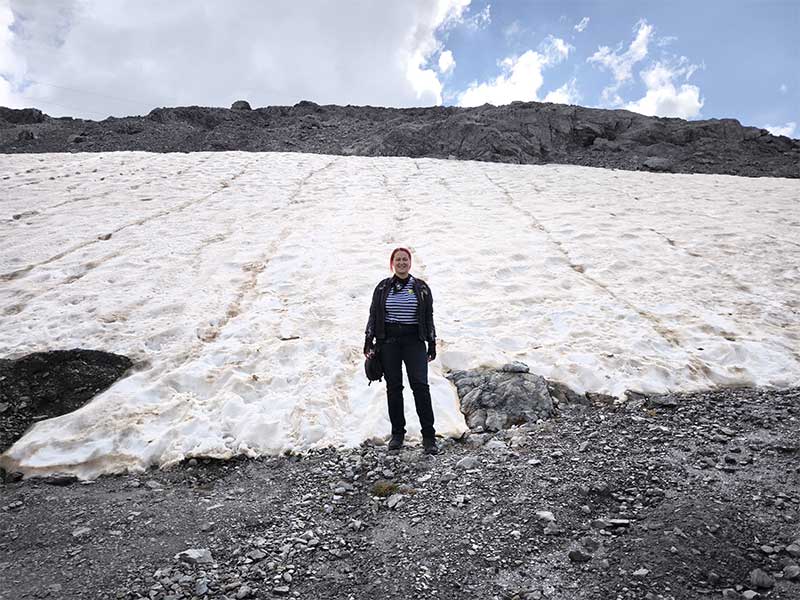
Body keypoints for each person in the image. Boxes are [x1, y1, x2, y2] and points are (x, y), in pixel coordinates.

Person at [364, 247, 438, 455]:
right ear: (392, 263)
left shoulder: (421, 288)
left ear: (410, 263)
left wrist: (432, 343)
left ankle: (429, 436)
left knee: (420, 386)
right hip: (389, 342)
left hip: (414, 340)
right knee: (394, 388)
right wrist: (369, 341)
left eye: (405, 259)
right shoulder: (382, 288)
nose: (402, 263)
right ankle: (397, 435)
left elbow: (428, 317)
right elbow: (373, 314)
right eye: (398, 260)